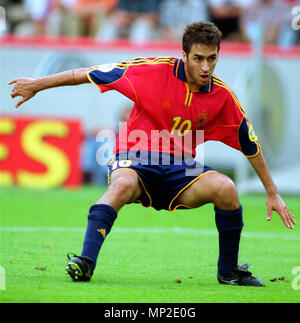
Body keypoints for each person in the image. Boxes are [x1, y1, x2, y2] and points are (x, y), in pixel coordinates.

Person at [9, 22, 296, 287]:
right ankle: (85, 262)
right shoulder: (149, 71)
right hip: (135, 157)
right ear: (183, 54)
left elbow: (251, 144)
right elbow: (85, 73)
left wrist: (271, 191)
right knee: (122, 185)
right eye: (198, 58)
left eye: (212, 58)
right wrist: (37, 84)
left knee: (227, 188)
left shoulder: (222, 96)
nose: (206, 67)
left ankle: (229, 271)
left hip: (181, 170)